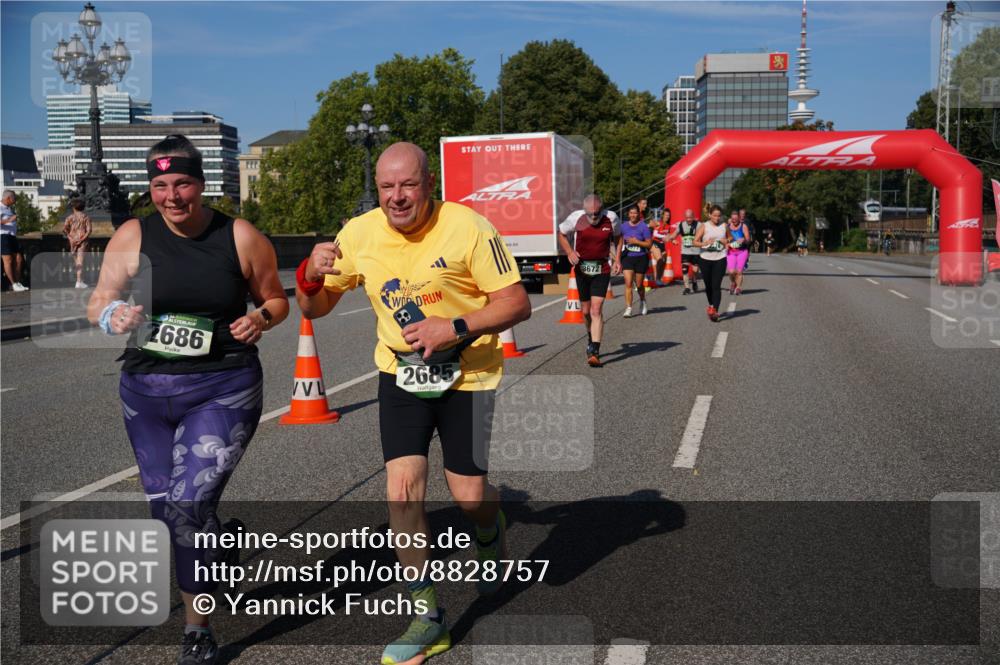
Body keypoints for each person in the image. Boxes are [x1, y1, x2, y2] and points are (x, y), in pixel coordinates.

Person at [296, 142, 531, 664]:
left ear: (429, 184)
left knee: (469, 496)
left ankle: (490, 528)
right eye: (386, 187)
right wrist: (309, 274)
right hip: (401, 373)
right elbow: (316, 307)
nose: (397, 197)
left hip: (467, 371)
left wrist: (455, 326)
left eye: (407, 185)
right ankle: (428, 618)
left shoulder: (468, 227)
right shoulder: (358, 233)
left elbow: (517, 303)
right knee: (402, 492)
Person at [87, 134, 289, 665]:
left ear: (201, 184)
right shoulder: (134, 234)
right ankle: (219, 548)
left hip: (223, 385)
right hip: (145, 391)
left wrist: (260, 318)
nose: (171, 196)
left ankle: (197, 630)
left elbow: (275, 297)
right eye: (159, 186)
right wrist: (114, 317)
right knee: (166, 515)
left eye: (181, 184)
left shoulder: (238, 236)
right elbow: (100, 300)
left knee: (185, 508)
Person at [558, 194, 622, 367]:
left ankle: (594, 350)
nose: (594, 217)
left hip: (602, 267)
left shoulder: (611, 218)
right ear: (584, 210)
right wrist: (570, 252)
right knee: (585, 311)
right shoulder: (575, 218)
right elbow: (562, 234)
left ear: (602, 208)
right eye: (590, 214)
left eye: (597, 213)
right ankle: (590, 335)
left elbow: (618, 236)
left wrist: (617, 259)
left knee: (596, 309)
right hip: (582, 269)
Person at [693, 204, 731, 322]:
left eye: (719, 216)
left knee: (716, 286)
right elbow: (695, 242)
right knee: (708, 286)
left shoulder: (724, 225)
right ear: (709, 215)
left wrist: (726, 240)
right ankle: (711, 305)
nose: (717, 218)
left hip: (720, 258)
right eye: (714, 216)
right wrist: (705, 243)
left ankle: (715, 310)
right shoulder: (704, 226)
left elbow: (730, 238)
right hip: (705, 259)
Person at [619, 205, 652, 317]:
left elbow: (649, 244)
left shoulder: (644, 227)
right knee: (628, 283)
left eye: (635, 213)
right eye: (631, 213)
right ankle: (628, 308)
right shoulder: (623, 227)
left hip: (641, 257)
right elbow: (618, 241)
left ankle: (642, 300)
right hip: (627, 257)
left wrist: (636, 241)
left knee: (639, 285)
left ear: (639, 214)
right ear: (628, 214)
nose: (633, 215)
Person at [669, 208, 701, 295]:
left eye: (690, 217)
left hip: (696, 251)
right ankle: (687, 287)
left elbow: (705, 235)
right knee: (685, 269)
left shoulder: (699, 225)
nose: (689, 219)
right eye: (687, 218)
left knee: (695, 270)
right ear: (685, 217)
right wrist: (672, 240)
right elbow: (674, 235)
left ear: (693, 217)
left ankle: (694, 281)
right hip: (685, 251)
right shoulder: (681, 225)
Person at [1, 190, 28, 291]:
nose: (15, 201)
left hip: (12, 236)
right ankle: (13, 284)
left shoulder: (9, 208)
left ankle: (16, 282)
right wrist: (9, 220)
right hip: (3, 236)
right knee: (8, 260)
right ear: (8, 198)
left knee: (19, 259)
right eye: (14, 199)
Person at [63, 198, 92, 288]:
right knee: (80, 260)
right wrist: (83, 238)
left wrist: (70, 238)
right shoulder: (86, 217)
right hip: (82, 240)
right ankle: (79, 281)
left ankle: (80, 279)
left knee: (76, 261)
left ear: (74, 208)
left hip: (72, 240)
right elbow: (89, 230)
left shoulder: (69, 217)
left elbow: (64, 229)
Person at [726, 210, 751, 295]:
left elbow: (748, 240)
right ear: (731, 219)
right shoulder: (727, 227)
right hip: (731, 252)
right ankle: (733, 283)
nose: (734, 221)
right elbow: (724, 239)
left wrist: (743, 240)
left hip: (742, 251)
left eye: (736, 219)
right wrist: (727, 243)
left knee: (739, 271)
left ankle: (738, 288)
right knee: (731, 272)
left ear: (739, 219)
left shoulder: (743, 226)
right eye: (733, 219)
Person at [650, 208, 671, 285]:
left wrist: (673, 240)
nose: (667, 216)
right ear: (663, 215)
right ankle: (656, 278)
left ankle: (659, 278)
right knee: (659, 259)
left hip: (662, 244)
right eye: (666, 215)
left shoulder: (668, 226)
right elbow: (655, 234)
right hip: (655, 242)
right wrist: (663, 236)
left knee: (664, 262)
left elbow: (668, 235)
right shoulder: (659, 223)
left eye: (668, 215)